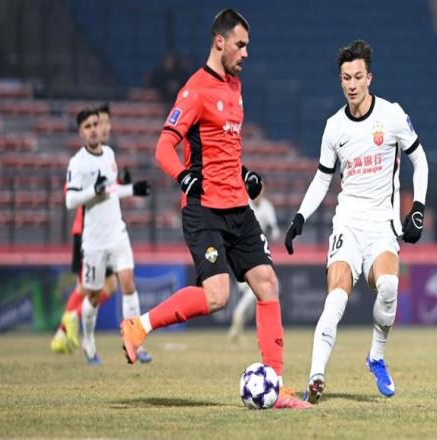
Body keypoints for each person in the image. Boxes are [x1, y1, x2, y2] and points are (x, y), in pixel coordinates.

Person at [120, 9, 311, 409]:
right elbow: (163, 147)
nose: (246, 53)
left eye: (248, 46)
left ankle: (275, 386)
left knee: (267, 283)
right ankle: (139, 325)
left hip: (238, 207)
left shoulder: (236, 87)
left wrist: (245, 175)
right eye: (240, 45)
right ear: (220, 42)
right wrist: (182, 177)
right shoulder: (194, 90)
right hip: (204, 209)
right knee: (217, 296)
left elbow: (223, 152)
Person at [284, 40, 429, 403]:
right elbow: (322, 178)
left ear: (369, 78)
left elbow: (420, 161)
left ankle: (376, 357)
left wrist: (418, 208)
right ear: (341, 80)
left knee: (390, 286)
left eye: (358, 77)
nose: (352, 84)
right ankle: (316, 376)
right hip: (347, 222)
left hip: (382, 225)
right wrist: (300, 216)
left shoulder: (391, 115)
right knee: (336, 296)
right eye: (346, 78)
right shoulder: (334, 127)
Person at [64, 106, 152, 365]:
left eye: (95, 124)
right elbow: (70, 200)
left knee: (128, 283)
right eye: (88, 127)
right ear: (81, 133)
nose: (94, 130)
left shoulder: (110, 154)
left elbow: (110, 190)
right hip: (94, 241)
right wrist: (93, 190)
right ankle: (89, 343)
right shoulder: (77, 163)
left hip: (117, 232)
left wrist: (132, 189)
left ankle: (135, 343)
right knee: (93, 294)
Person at [51, 104, 118, 355]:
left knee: (105, 285)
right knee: (87, 287)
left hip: (105, 232)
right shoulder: (82, 162)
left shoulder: (107, 156)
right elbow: (72, 194)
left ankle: (64, 330)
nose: (104, 128)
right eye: (101, 123)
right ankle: (65, 328)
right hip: (88, 232)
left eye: (105, 123)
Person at [228, 184, 280, 343]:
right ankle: (238, 316)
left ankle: (237, 328)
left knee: (255, 299)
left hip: (259, 256)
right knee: (257, 291)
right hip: (242, 256)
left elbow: (275, 233)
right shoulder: (244, 204)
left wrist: (271, 230)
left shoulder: (267, 207)